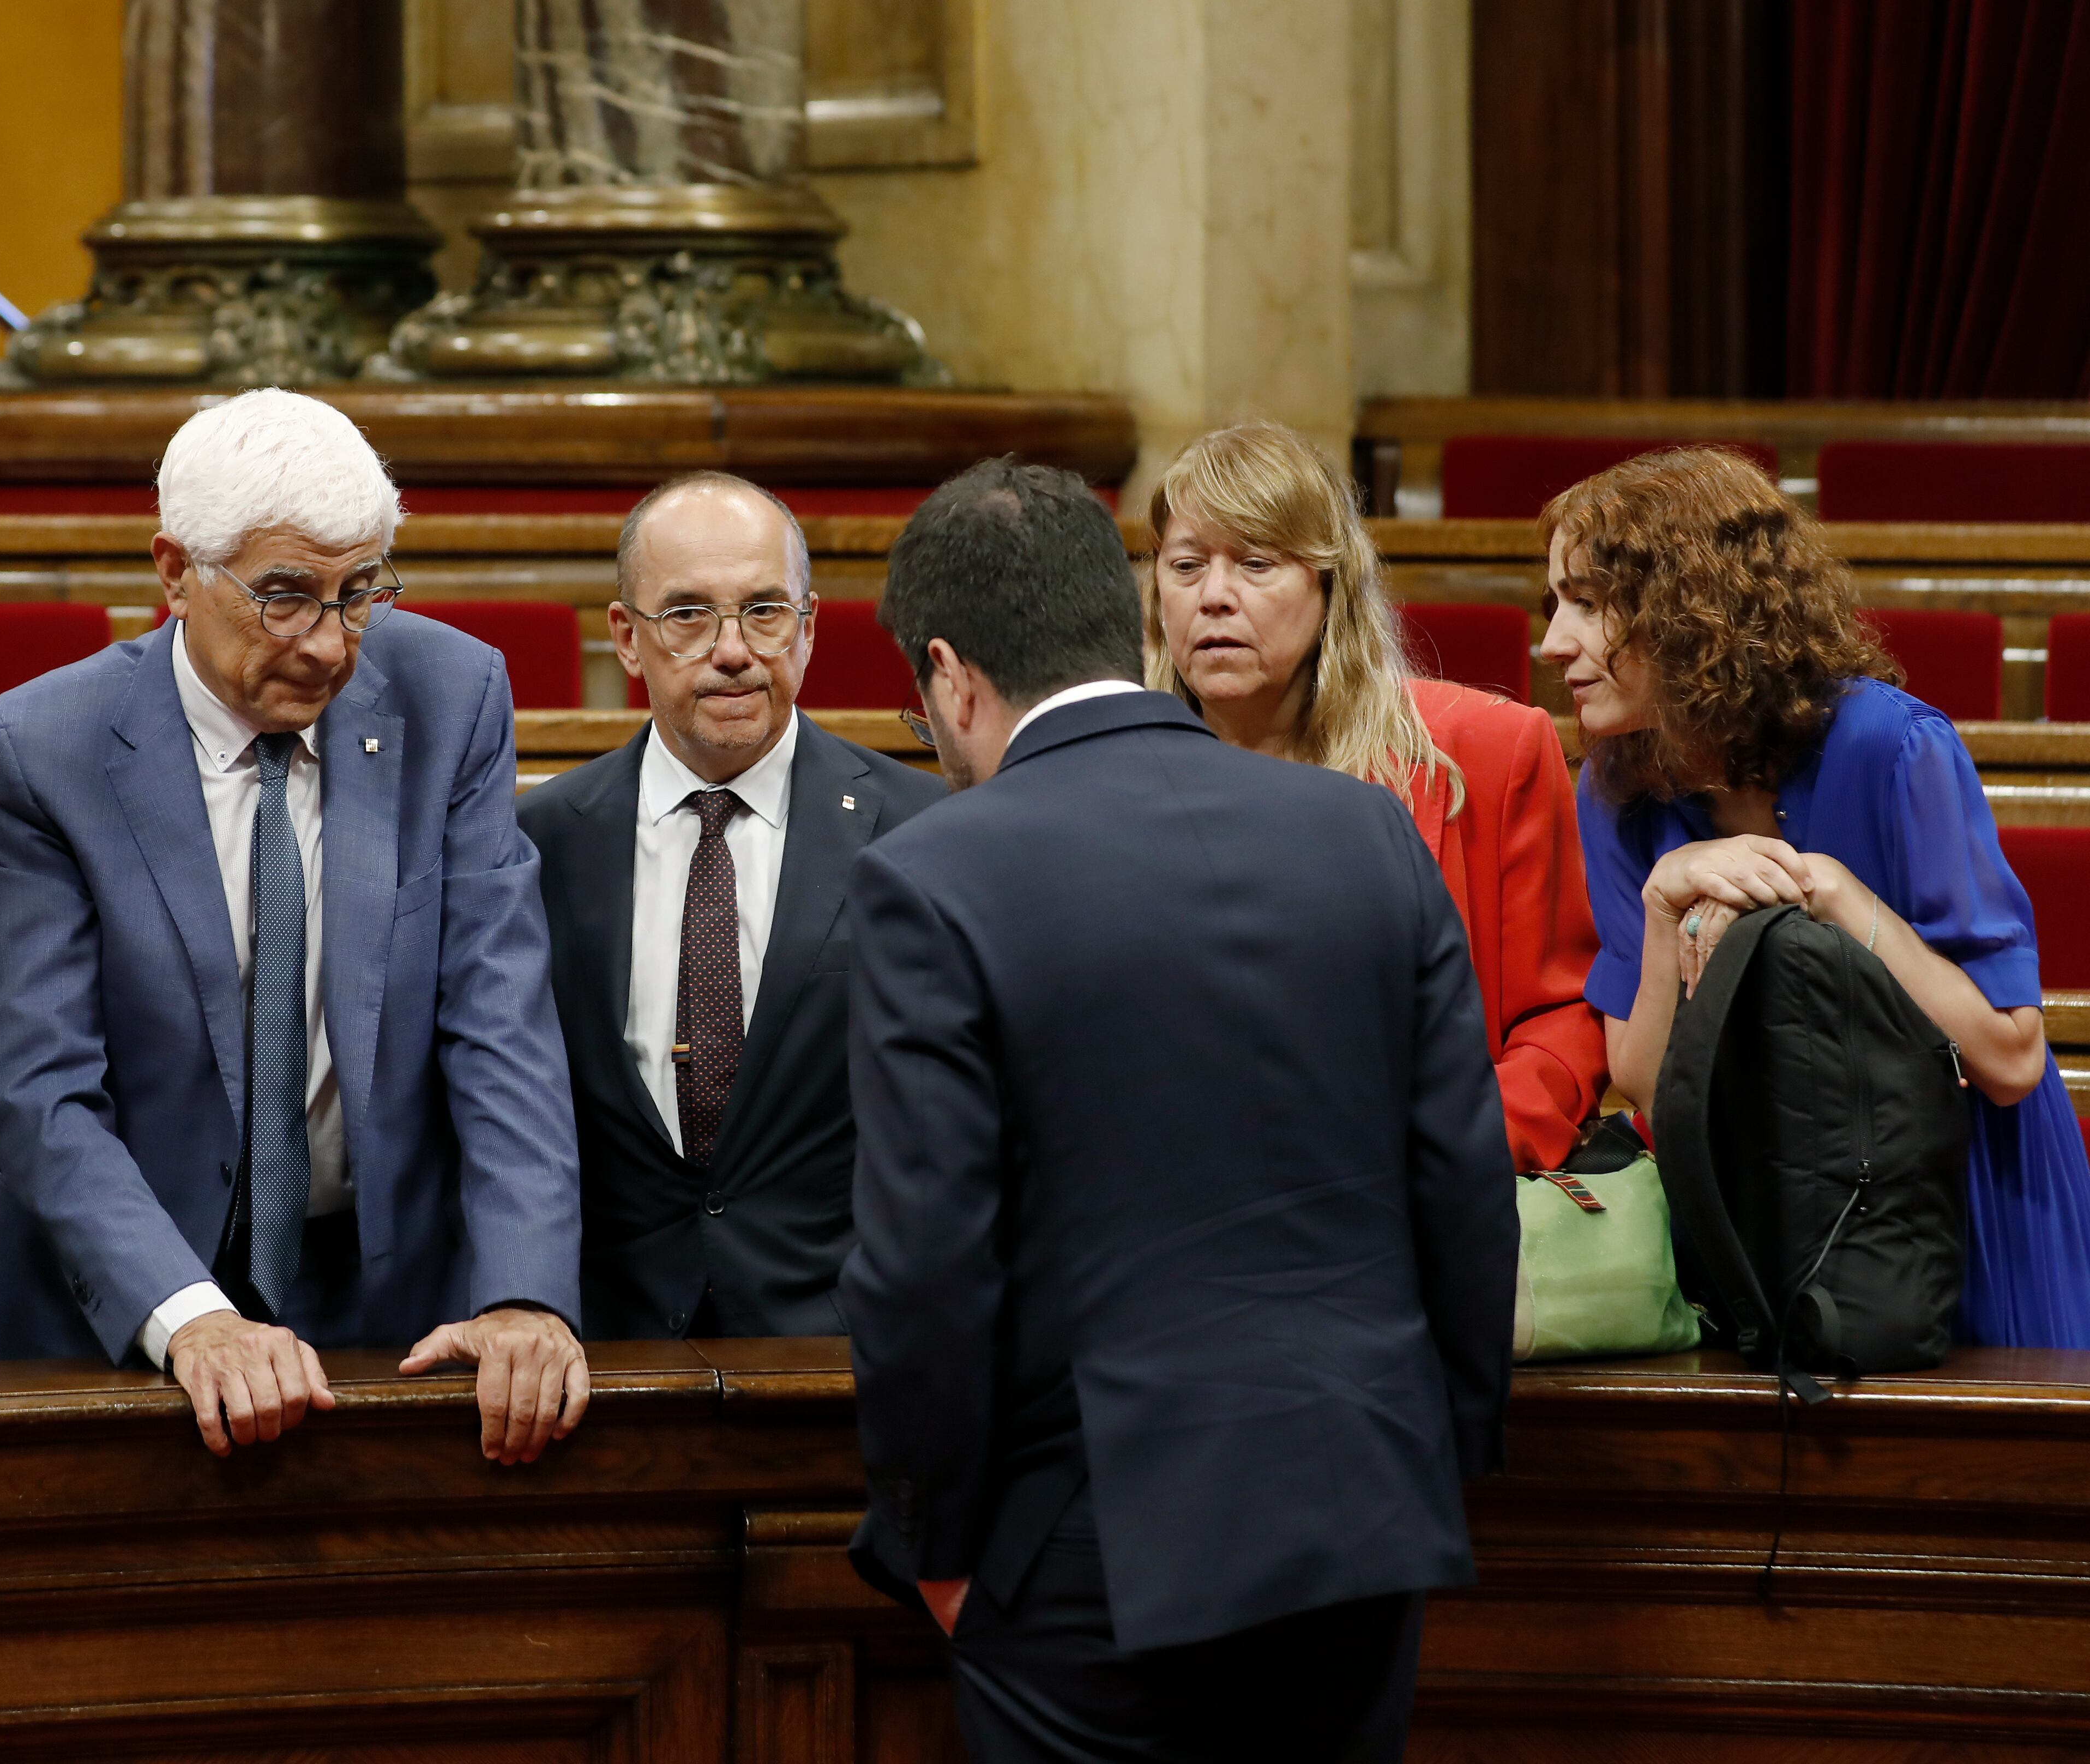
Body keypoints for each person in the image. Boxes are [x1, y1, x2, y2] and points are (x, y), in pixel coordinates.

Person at [842, 458, 1516, 1763]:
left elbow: (925, 1259)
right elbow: (1461, 1176)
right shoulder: (1362, 834)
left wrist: (933, 1548)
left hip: (1094, 1532)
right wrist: (1443, 1449)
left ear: (949, 673)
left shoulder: (931, 873)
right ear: (1127, 615)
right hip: (1360, 1501)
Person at [0, 388, 591, 1463]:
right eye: (286, 597)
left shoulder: (452, 695)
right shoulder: (46, 744)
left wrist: (524, 1292)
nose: (332, 646)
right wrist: (188, 1315)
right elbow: (43, 1089)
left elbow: (500, 1022)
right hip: (114, 1316)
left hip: (383, 1304)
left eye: (360, 593)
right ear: (173, 572)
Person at [1541, 446, 2090, 1348]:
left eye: (1589, 603)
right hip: (1765, 1197)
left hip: (1957, 1197)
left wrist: (1836, 896)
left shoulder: (1892, 748)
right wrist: (1662, 906)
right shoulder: (1616, 789)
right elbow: (1642, 1083)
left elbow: (2010, 1060)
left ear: (1691, 605)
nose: (1555, 640)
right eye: (1554, 602)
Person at [516, 473, 942, 1340]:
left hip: (847, 1349)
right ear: (626, 639)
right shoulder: (539, 841)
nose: (735, 649)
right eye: (687, 616)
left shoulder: (923, 834)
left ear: (811, 629)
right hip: (604, 1351)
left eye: (764, 611)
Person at [1149, 421, 1609, 1171]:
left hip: (1418, 1190)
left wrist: (1443, 1152)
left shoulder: (1488, 751)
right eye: (1188, 565)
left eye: (1258, 562)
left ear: (1330, 586)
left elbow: (1560, 1023)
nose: (1216, 597)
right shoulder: (1116, 784)